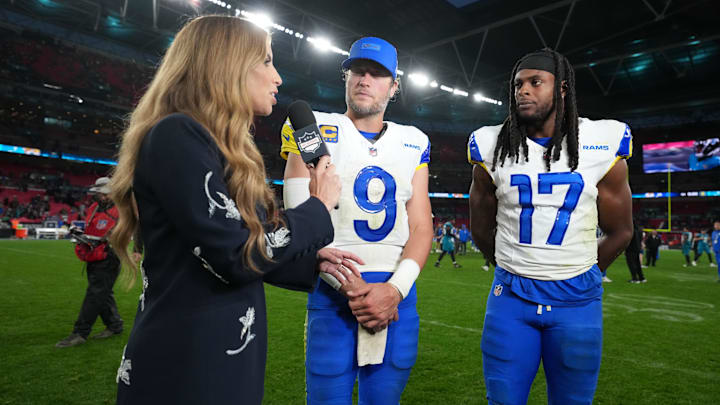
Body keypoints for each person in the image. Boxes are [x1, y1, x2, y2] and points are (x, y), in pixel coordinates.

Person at [108, 16, 355, 405]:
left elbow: (229, 247)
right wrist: (318, 207)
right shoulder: (178, 134)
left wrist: (310, 262)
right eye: (267, 62)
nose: (278, 78)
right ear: (229, 64)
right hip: (187, 362)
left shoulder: (213, 145)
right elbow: (234, 256)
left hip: (219, 353)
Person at [468, 48, 633, 405]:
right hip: (510, 298)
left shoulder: (600, 142)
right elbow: (480, 228)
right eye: (517, 84)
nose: (522, 91)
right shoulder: (490, 144)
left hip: (578, 301)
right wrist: (512, 266)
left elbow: (622, 230)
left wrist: (584, 270)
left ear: (561, 88)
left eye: (534, 82)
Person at [280, 36, 433, 404]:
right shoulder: (313, 126)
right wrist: (352, 289)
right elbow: (302, 219)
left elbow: (421, 227)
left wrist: (394, 290)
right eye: (358, 71)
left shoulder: (414, 141)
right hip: (333, 295)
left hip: (397, 295)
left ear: (394, 86)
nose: (365, 80)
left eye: (377, 74)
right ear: (345, 77)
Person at [55, 177, 124, 348]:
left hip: (109, 257)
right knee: (103, 293)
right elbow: (91, 229)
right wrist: (81, 234)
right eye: (99, 193)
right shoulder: (93, 208)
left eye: (103, 193)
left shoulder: (122, 209)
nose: (101, 196)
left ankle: (80, 332)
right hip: (92, 255)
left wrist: (134, 248)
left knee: (95, 294)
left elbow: (128, 231)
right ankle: (114, 325)